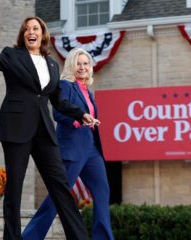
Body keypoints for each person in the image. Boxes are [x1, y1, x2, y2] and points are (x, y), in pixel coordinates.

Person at [0, 6, 98, 240]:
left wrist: (80, 114)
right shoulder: (12, 56)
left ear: (43, 34)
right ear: (23, 35)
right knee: (14, 190)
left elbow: (58, 101)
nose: (30, 31)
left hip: (43, 131)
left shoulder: (52, 64)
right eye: (27, 29)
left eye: (35, 28)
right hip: (16, 129)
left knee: (61, 186)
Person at [22, 48, 114, 240]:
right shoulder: (65, 85)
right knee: (58, 196)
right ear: (72, 65)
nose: (82, 67)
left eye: (86, 64)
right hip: (71, 148)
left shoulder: (87, 91)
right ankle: (29, 237)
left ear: (90, 68)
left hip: (91, 149)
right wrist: (79, 119)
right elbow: (58, 112)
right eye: (78, 63)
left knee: (102, 190)